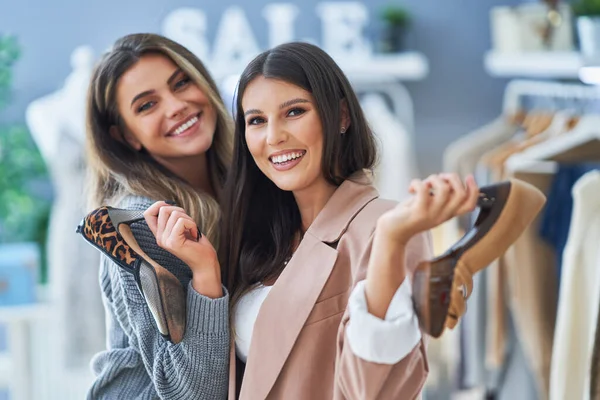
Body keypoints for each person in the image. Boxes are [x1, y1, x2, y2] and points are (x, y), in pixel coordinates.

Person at [146, 41, 479, 399]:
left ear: (341, 117)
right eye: (256, 120)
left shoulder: (385, 225)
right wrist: (206, 272)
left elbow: (376, 391)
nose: (274, 137)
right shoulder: (257, 235)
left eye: (294, 112)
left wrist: (393, 241)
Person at [85, 33, 233, 400]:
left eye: (181, 83)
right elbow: (191, 395)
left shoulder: (245, 186)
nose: (176, 105)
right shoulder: (140, 224)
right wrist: (205, 275)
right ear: (126, 137)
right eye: (147, 105)